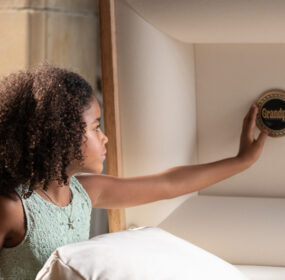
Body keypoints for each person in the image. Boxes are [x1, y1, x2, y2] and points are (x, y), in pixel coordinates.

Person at [0, 63, 268, 279]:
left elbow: (168, 184)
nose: (105, 137)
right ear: (62, 135)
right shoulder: (12, 207)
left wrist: (241, 162)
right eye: (95, 127)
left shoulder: (85, 192)